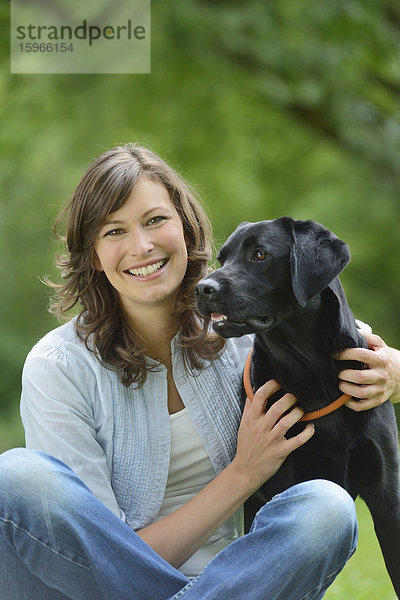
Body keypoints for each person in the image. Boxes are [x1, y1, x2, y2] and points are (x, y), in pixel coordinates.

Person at [0, 144, 399, 600]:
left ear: (186, 229)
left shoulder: (248, 331)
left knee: (325, 509)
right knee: (16, 477)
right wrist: (244, 473)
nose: (141, 246)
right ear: (93, 255)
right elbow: (98, 558)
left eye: (155, 220)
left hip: (239, 584)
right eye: (114, 231)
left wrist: (395, 374)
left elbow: (347, 332)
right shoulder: (59, 368)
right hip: (95, 590)